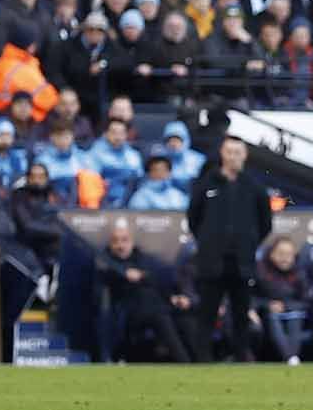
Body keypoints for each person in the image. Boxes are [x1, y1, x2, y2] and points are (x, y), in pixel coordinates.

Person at [187, 135, 273, 362]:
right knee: (207, 313)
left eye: (238, 152)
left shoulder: (254, 187)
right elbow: (193, 217)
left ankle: (241, 356)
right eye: (229, 151)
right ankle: (202, 359)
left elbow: (266, 223)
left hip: (242, 262)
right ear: (222, 154)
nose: (233, 156)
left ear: (245, 155)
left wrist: (249, 242)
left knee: (241, 314)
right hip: (212, 262)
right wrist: (209, 242)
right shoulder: (206, 183)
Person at [96, 220, 194, 362]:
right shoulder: (106, 262)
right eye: (115, 241)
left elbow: (156, 280)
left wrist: (172, 298)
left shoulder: (143, 259)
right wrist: (123, 274)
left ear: (132, 242)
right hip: (129, 311)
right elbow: (103, 281)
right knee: (156, 310)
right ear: (110, 244)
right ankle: (184, 362)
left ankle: (197, 360)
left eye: (124, 240)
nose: (120, 245)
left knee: (184, 318)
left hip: (157, 306)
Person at [254, 236, 313, 365]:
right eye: (280, 253)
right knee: (273, 316)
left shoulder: (299, 273)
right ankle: (290, 356)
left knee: (295, 315)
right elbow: (252, 297)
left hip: (293, 312)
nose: (285, 258)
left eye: (288, 254)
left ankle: (292, 357)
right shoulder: (261, 271)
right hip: (266, 314)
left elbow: (307, 300)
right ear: (271, 254)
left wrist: (286, 306)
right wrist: (268, 305)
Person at [127, 145, 189, 211]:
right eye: (155, 170)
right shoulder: (140, 196)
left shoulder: (178, 196)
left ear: (170, 173)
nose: (160, 173)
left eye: (164, 169)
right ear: (149, 174)